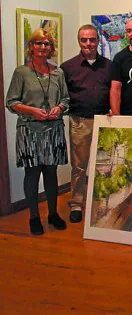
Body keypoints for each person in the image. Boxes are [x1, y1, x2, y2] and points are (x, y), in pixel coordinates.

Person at [6, 28, 70, 235]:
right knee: (32, 173)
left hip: (54, 128)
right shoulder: (21, 72)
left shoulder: (58, 72)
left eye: (47, 44)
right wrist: (33, 110)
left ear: (51, 48)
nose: (43, 47)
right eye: (39, 43)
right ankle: (34, 216)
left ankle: (52, 213)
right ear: (31, 47)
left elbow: (65, 99)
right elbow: (11, 102)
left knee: (51, 173)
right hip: (29, 129)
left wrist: (58, 108)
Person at [61, 24, 112, 223]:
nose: (88, 44)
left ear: (98, 41)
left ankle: (102, 203)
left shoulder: (109, 65)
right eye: (84, 40)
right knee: (79, 167)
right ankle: (76, 204)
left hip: (105, 122)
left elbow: (115, 92)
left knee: (105, 165)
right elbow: (63, 96)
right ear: (79, 41)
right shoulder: (68, 67)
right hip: (80, 121)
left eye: (92, 39)